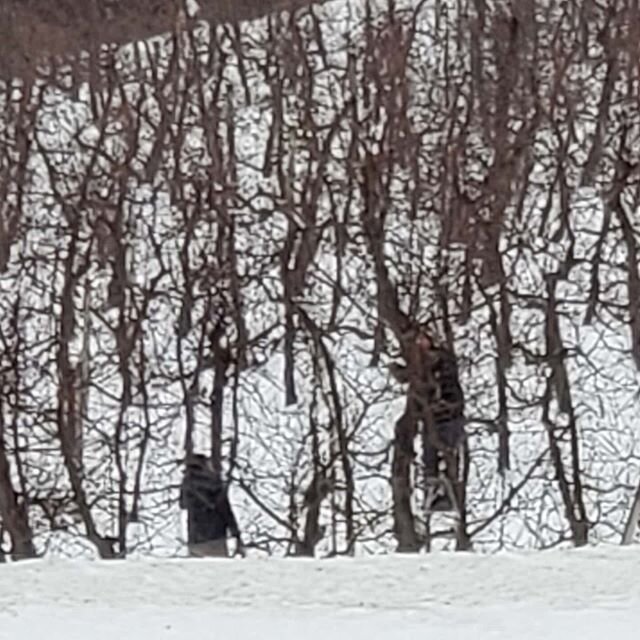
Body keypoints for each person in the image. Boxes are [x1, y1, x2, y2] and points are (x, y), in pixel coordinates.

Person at [391, 325, 466, 510]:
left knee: (448, 447)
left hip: (448, 415)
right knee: (430, 450)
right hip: (431, 417)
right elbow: (408, 377)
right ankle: (432, 488)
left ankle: (448, 490)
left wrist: (443, 401)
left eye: (423, 340)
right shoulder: (420, 364)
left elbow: (450, 386)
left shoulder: (441, 359)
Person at [179, 454, 244, 557]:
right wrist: (236, 534)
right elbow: (226, 511)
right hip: (216, 538)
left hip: (194, 539)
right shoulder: (215, 485)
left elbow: (182, 505)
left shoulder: (187, 484)